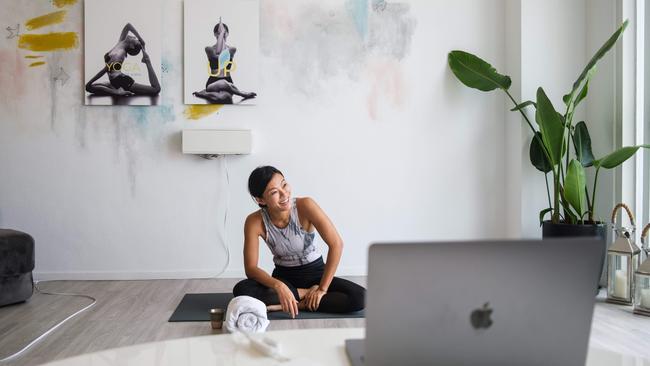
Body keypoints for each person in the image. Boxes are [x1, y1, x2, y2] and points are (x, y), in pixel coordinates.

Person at [233, 166, 366, 318]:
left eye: (284, 184)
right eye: (274, 192)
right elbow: (251, 268)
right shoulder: (254, 221)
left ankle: (298, 303)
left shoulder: (305, 205)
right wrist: (279, 286)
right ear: (261, 200)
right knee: (242, 290)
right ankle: (305, 295)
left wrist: (322, 289)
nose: (284, 194)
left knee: (360, 297)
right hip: (284, 277)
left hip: (317, 274)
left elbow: (336, 244)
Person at [85, 23, 160, 97]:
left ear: (131, 46)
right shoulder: (120, 42)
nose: (134, 37)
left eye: (135, 40)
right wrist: (141, 40)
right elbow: (128, 26)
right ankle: (115, 90)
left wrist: (89, 83)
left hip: (122, 81)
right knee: (92, 87)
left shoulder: (119, 54)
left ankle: (147, 61)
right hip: (114, 82)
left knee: (155, 89)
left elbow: (105, 70)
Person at [192, 20, 256, 104]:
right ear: (215, 34)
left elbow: (223, 55)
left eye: (224, 32)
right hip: (213, 82)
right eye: (219, 33)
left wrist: (221, 34)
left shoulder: (232, 49)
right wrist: (222, 33)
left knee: (225, 97)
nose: (222, 34)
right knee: (223, 83)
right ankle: (241, 93)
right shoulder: (209, 49)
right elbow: (219, 54)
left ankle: (204, 93)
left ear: (228, 34)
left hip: (228, 80)